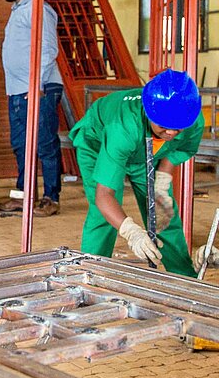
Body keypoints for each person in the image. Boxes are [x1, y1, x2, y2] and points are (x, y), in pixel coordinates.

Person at [69, 70, 204, 277]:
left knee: (162, 211)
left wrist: (162, 178)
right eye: (164, 126)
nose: (171, 133)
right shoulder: (123, 127)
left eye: (178, 128)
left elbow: (181, 148)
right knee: (103, 214)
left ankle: (185, 277)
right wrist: (131, 232)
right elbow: (104, 195)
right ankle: (90, 275)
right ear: (150, 113)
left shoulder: (189, 116)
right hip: (97, 146)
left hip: (145, 152)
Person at [0, 0, 63, 217]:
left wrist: (37, 85)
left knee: (45, 143)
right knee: (20, 145)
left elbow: (48, 49)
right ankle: (23, 195)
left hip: (39, 88)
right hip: (18, 90)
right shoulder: (19, 11)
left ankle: (50, 197)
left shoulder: (38, 10)